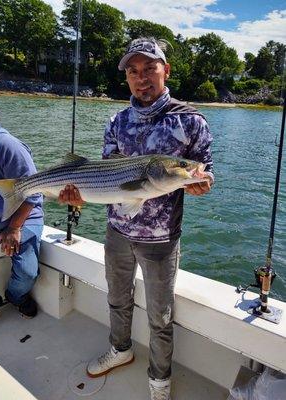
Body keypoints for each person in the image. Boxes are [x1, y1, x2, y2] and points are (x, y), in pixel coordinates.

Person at [59, 37, 214, 400]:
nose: (141, 78)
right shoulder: (117, 121)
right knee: (117, 298)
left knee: (160, 317)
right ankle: (121, 349)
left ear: (166, 70)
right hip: (117, 233)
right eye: (133, 71)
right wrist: (76, 197)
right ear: (126, 78)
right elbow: (101, 177)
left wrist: (202, 182)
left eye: (149, 69)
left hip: (161, 241)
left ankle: (159, 380)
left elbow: (205, 171)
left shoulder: (191, 120)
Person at [0, 102, 43, 333]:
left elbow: (35, 192)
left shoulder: (6, 145)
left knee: (28, 272)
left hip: (23, 218)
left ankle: (15, 296)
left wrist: (14, 227)